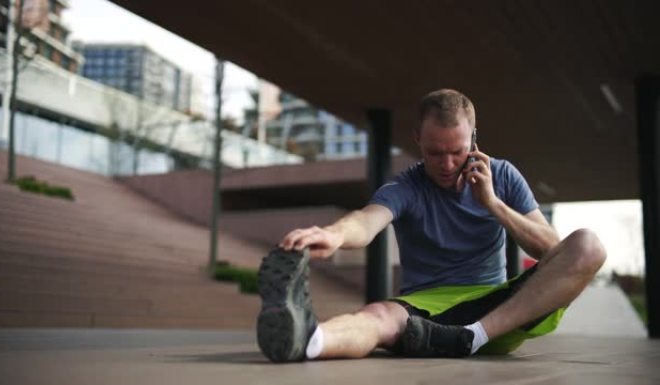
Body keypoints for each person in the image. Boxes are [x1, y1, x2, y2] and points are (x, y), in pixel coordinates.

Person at [256, 89, 606, 363]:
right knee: (377, 315)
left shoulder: (502, 176)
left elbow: (552, 251)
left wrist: (492, 203)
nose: (446, 163)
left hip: (498, 309)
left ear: (474, 139)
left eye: (456, 150)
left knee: (589, 246)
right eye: (435, 153)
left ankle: (473, 336)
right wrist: (332, 234)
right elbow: (367, 220)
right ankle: (307, 340)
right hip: (427, 318)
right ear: (417, 140)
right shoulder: (406, 187)